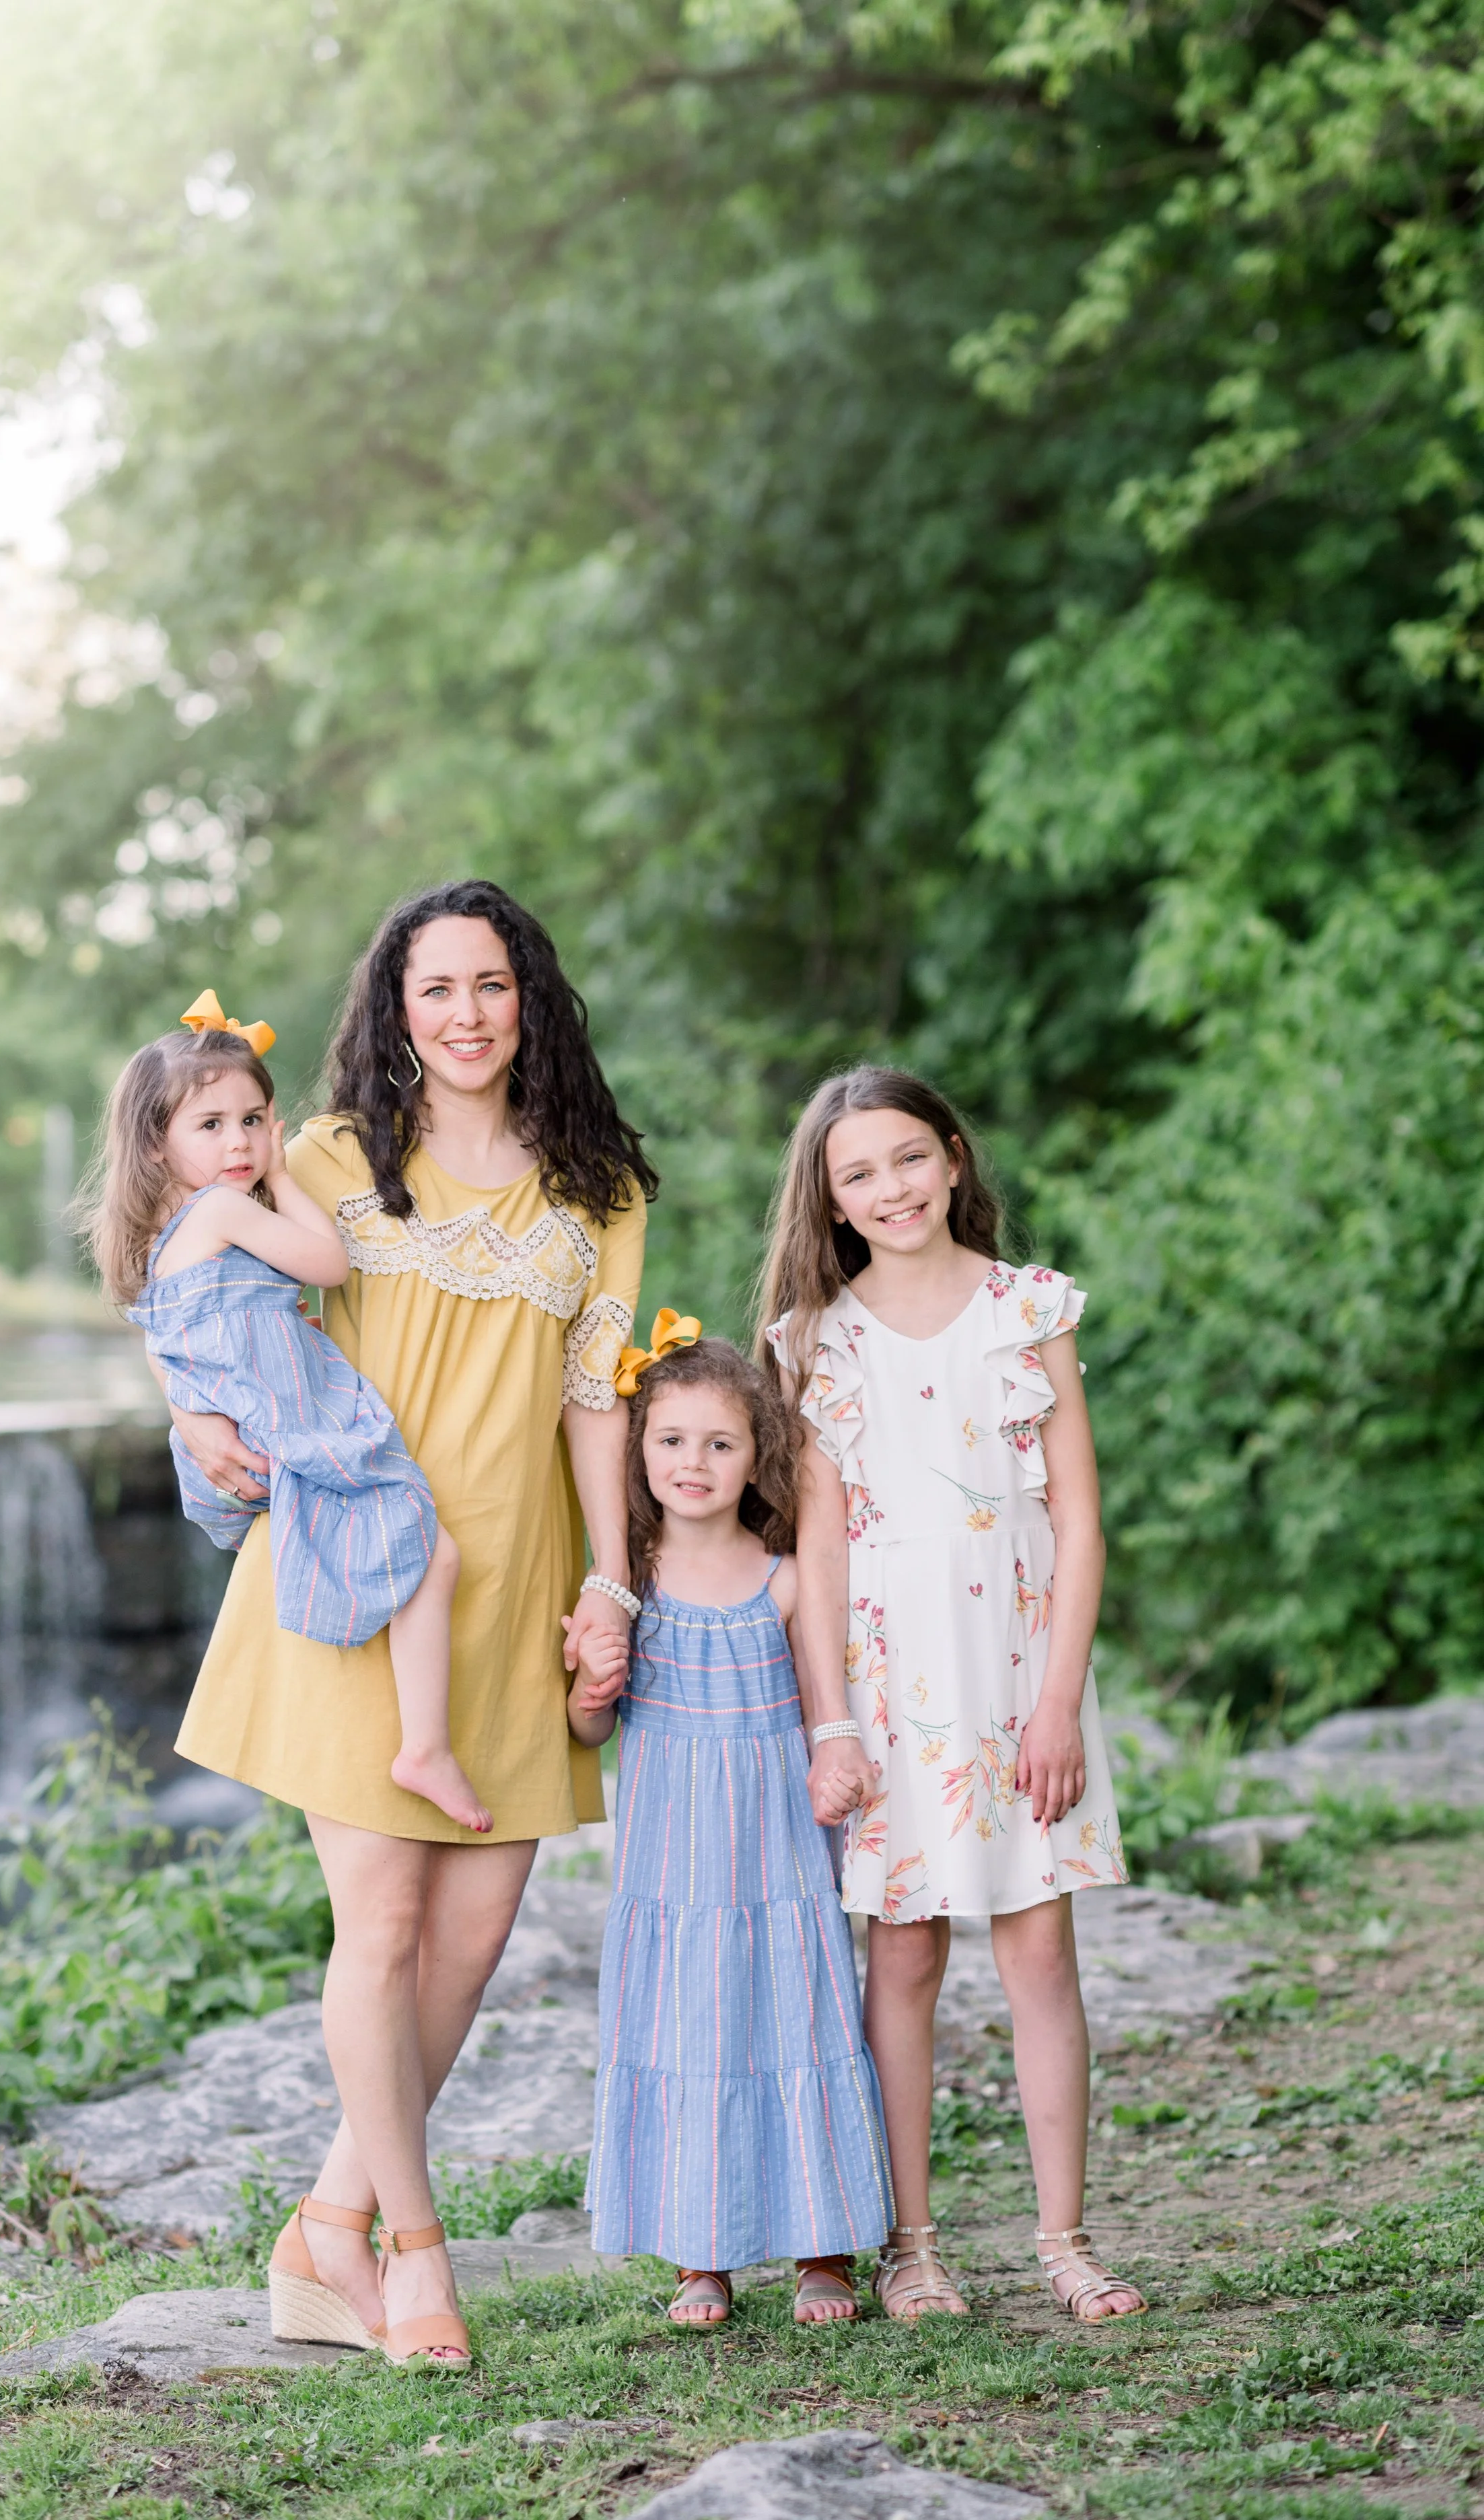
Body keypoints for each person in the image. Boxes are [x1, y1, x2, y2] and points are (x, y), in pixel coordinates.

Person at [164, 881, 653, 2370]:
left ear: (530, 1001)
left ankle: (323, 2229)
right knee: (379, 1925)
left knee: (472, 1939)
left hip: (508, 1587)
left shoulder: (600, 1192)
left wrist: (611, 1582)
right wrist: (190, 1417)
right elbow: (195, 1288)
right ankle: (413, 2257)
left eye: (489, 985)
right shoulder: (319, 1157)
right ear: (394, 1006)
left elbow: (593, 1405)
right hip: (341, 1569)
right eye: (433, 988)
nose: (462, 1014)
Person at [759, 1066, 1144, 2326]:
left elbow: (1080, 1523)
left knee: (1040, 1951)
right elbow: (817, 1553)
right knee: (904, 1956)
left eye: (909, 1158)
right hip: (889, 1683)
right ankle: (911, 2245)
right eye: (858, 1174)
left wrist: (1057, 1701)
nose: (891, 1189)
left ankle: (1065, 2242)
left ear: (956, 1158)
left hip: (1025, 1674)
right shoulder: (820, 1340)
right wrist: (831, 1721)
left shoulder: (1027, 1310)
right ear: (830, 1199)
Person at [85, 992, 487, 1836]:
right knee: (434, 1551)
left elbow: (162, 1337)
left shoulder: (161, 1233)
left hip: (240, 1442)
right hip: (289, 1428)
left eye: (255, 1119)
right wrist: (281, 1173)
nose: (238, 1141)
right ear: (157, 1145)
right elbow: (329, 1263)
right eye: (211, 1125)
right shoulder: (226, 1210)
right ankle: (425, 1747)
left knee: (395, 1553)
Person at [571, 1320, 892, 2330]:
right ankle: (697, 2256)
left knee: (797, 2023)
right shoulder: (631, 1589)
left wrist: (838, 1762)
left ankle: (823, 2250)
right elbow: (587, 1731)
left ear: (758, 1457)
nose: (693, 1462)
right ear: (639, 1454)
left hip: (776, 1859)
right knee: (687, 2036)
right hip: (674, 1870)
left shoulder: (785, 1578)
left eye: (719, 1443)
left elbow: (823, 1704)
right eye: (670, 1441)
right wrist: (592, 1679)